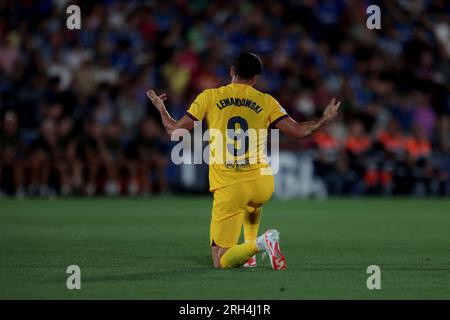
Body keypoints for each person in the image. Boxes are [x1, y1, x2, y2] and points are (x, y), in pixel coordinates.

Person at [147, 52, 340, 270]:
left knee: (220, 260)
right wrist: (324, 119)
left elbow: (174, 130)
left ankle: (259, 244)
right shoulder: (267, 101)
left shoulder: (209, 97)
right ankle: (251, 255)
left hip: (231, 186)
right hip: (263, 183)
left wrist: (161, 108)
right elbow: (298, 131)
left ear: (231, 71)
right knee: (252, 204)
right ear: (255, 78)